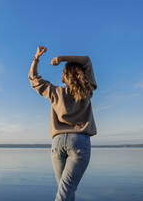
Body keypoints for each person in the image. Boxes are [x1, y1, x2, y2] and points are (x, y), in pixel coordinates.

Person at [28, 46, 97, 201]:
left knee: (65, 191)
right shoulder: (87, 90)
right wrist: (62, 59)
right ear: (80, 75)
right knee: (66, 191)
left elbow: (33, 78)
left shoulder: (55, 92)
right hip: (79, 141)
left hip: (58, 143)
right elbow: (87, 60)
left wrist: (37, 58)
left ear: (65, 76)